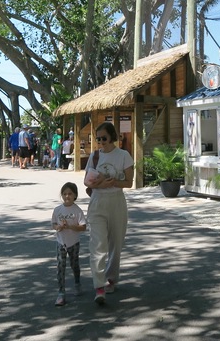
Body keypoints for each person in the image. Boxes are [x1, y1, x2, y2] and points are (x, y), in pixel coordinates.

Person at [83, 121, 134, 305]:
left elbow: (129, 182)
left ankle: (111, 279)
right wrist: (98, 184)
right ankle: (99, 286)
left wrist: (112, 182)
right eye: (98, 139)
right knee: (98, 246)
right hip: (97, 202)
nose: (101, 142)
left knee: (115, 244)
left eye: (104, 138)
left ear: (112, 137)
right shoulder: (94, 156)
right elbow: (86, 182)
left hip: (116, 202)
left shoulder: (123, 156)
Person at [51, 182, 86, 306]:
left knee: (74, 264)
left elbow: (83, 227)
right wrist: (58, 227)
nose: (67, 196)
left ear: (75, 195)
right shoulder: (57, 210)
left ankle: (77, 283)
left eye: (70, 194)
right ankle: (61, 293)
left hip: (74, 243)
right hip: (61, 242)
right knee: (61, 267)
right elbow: (53, 224)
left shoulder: (77, 210)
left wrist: (72, 227)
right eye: (65, 194)